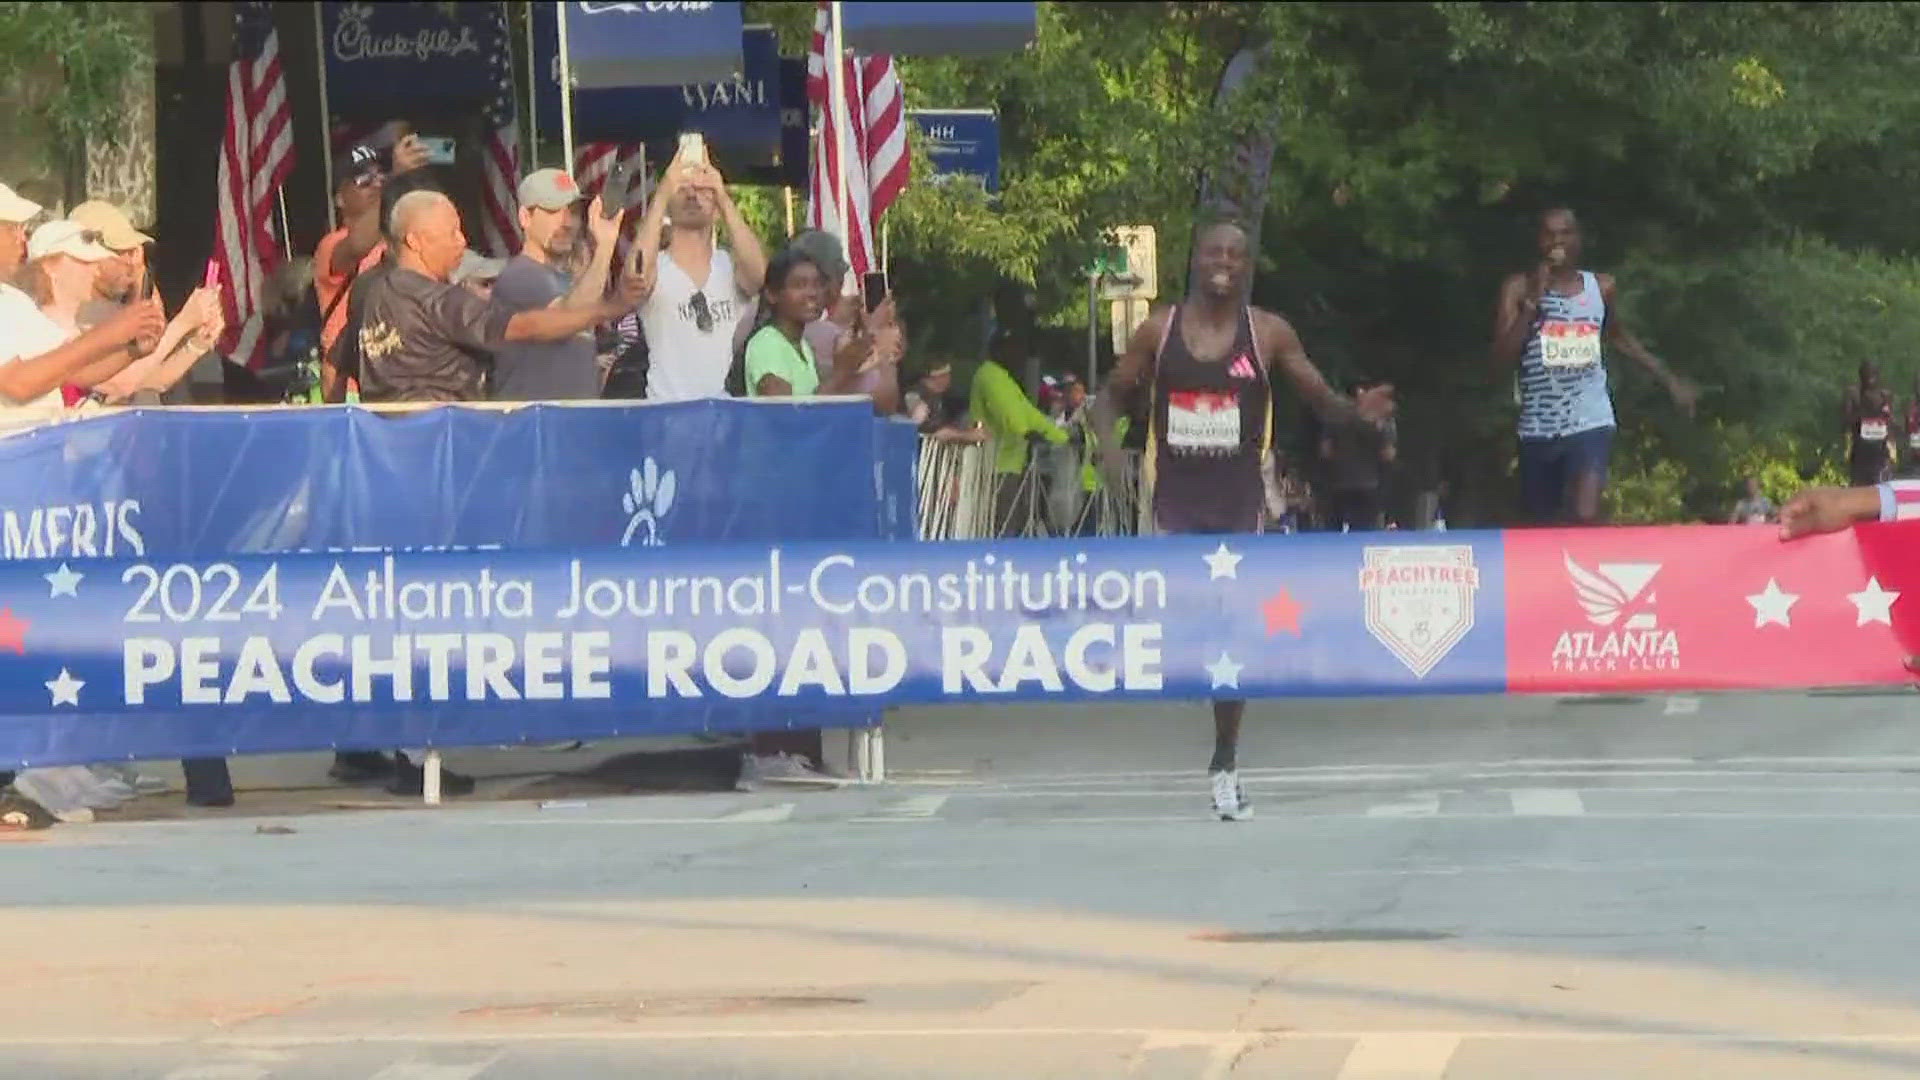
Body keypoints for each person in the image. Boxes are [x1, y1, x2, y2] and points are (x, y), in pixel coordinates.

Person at [1091, 219, 1394, 822]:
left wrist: (1359, 418)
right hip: (1173, 501)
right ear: (1195, 260)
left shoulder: (1268, 334)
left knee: (1229, 637)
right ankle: (1209, 708)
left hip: (1238, 506)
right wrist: (1107, 450)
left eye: (1235, 254)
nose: (1223, 262)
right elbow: (1111, 395)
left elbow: (1321, 402)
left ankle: (1225, 758)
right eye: (1213, 252)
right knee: (1188, 629)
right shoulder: (1160, 330)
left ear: (1246, 265)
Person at [1491, 207, 1697, 524]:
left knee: (1584, 513)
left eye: (1565, 233)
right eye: (1549, 234)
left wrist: (1669, 379)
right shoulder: (1518, 289)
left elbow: (1619, 338)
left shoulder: (1600, 288)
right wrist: (1532, 303)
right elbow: (1502, 357)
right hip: (1538, 426)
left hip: (1589, 418)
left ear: (1579, 240)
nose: (1557, 241)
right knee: (1540, 523)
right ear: (1539, 241)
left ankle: (1593, 556)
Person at [357, 190, 639, 407]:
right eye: (452, 233)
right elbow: (523, 326)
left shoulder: (373, 293)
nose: (462, 241)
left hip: (386, 447)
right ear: (415, 241)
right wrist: (611, 308)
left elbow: (339, 364)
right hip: (438, 442)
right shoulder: (432, 298)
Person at [632, 147, 768, 402]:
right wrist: (662, 195)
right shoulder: (656, 266)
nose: (692, 194)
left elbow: (759, 276)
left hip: (719, 413)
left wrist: (723, 197)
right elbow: (634, 276)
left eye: (703, 190)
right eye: (682, 189)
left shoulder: (728, 266)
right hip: (665, 413)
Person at [0, 220, 163, 426]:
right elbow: (18, 384)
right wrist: (112, 334)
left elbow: (74, 373)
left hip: (43, 446)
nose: (21, 239)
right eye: (84, 262)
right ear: (50, 266)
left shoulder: (15, 300)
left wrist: (132, 351)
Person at [489, 169, 623, 402]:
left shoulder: (568, 282)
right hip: (536, 429)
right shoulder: (520, 275)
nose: (567, 222)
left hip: (572, 425)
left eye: (572, 212)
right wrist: (605, 248)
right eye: (553, 211)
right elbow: (573, 314)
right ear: (525, 218)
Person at [313, 131, 430, 396]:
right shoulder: (331, 245)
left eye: (380, 177)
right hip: (351, 386)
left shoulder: (395, 240)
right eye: (364, 180)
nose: (376, 184)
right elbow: (358, 244)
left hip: (398, 379)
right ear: (340, 198)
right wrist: (394, 180)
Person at [972, 330, 1070, 537]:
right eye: (1013, 348)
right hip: (996, 466)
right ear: (998, 350)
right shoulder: (989, 375)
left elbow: (1030, 414)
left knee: (1018, 523)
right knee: (1004, 525)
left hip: (1013, 464)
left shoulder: (1005, 378)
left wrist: (1063, 437)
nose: (1019, 354)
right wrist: (1025, 432)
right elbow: (1007, 412)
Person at [1318, 380, 1397, 532]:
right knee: (1363, 534)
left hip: (1338, 482)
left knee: (1332, 535)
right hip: (1368, 484)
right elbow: (1388, 455)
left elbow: (1325, 451)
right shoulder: (1383, 419)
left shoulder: (1336, 416)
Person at [1845, 361, 1896, 487]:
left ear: (1878, 376)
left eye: (1873, 374)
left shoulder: (1885, 395)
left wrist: (1893, 446)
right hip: (1860, 453)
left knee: (1881, 491)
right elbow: (1846, 419)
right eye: (1866, 374)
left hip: (1880, 454)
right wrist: (1863, 414)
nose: (1869, 378)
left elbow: (1891, 423)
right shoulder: (1853, 394)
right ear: (1860, 376)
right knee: (1859, 491)